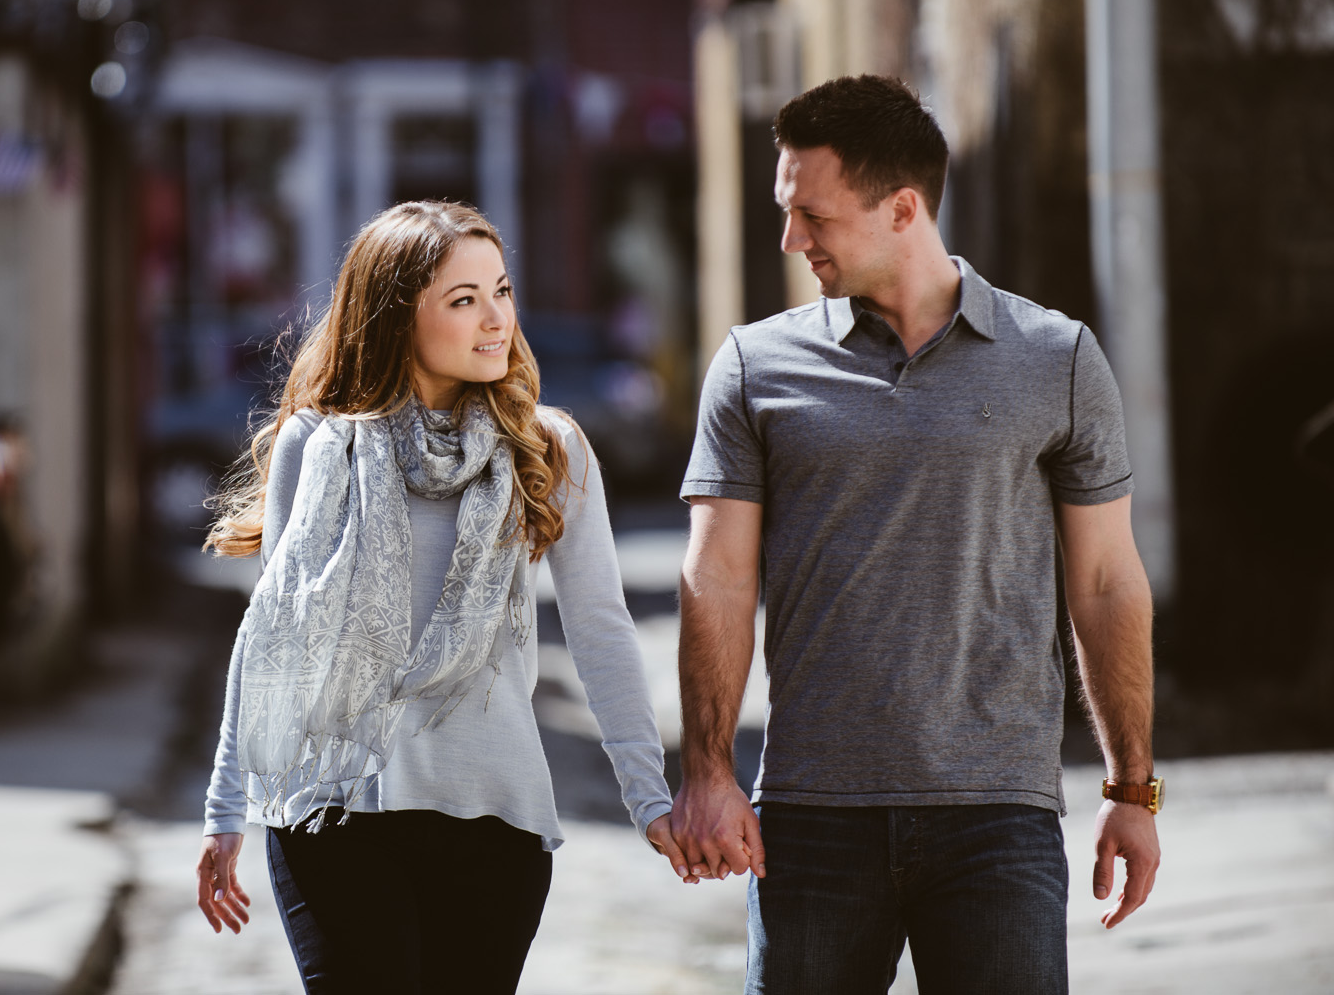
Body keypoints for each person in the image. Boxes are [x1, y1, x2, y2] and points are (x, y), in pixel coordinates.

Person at [671, 75, 1162, 993]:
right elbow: (718, 579)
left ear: (902, 208)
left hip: (997, 818)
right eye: (786, 211)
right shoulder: (753, 366)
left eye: (811, 215)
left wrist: (1131, 790)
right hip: (812, 816)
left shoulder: (1055, 358)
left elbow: (1104, 584)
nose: (790, 239)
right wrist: (708, 772)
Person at [197, 200, 684, 994]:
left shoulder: (547, 448)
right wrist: (225, 810)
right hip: (334, 815)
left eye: (502, 291)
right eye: (464, 301)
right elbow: (273, 641)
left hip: (492, 820)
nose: (496, 320)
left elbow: (600, 627)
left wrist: (648, 796)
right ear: (397, 318)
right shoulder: (319, 445)